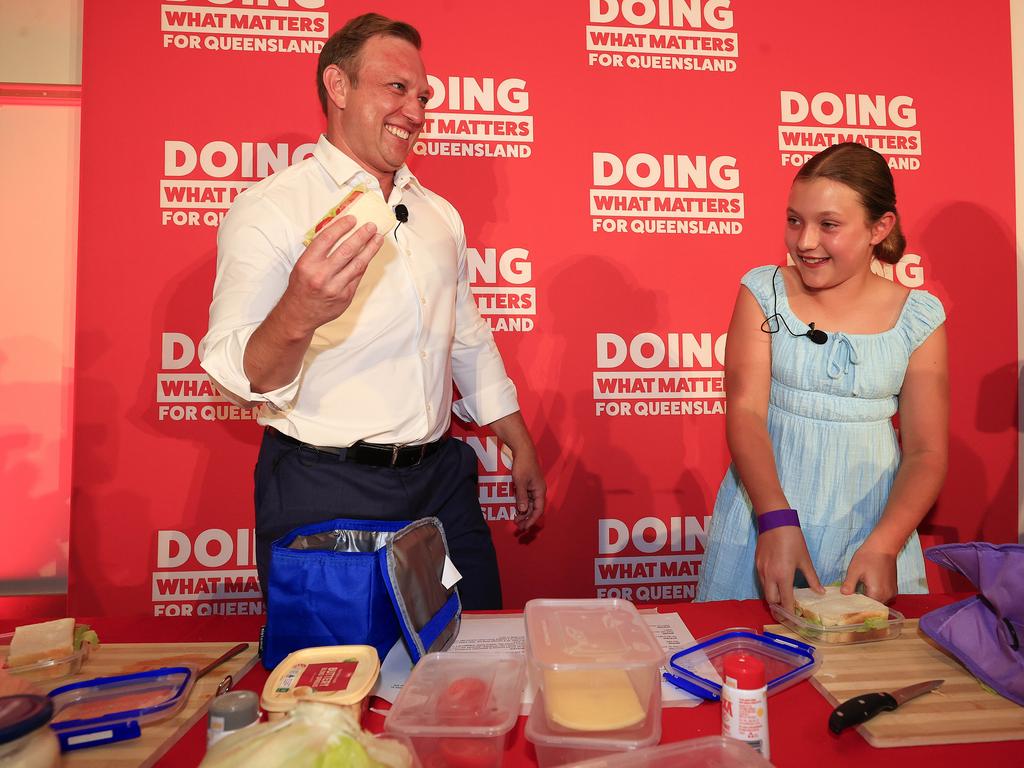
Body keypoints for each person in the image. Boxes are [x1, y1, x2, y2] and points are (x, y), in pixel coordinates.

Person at [198, 13, 545, 610]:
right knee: (332, 686)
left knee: (479, 661)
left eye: (422, 95)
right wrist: (298, 312)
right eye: (396, 88)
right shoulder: (270, 210)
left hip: (440, 484)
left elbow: (464, 335)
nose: (415, 110)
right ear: (338, 87)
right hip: (323, 485)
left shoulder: (439, 215)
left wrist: (518, 440)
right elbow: (241, 375)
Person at [695, 142, 948, 612]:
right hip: (765, 521)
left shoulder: (919, 317)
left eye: (828, 224)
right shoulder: (762, 291)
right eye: (795, 220)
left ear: (880, 227)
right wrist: (774, 520)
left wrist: (885, 544)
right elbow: (746, 412)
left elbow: (926, 451)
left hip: (872, 534)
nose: (805, 241)